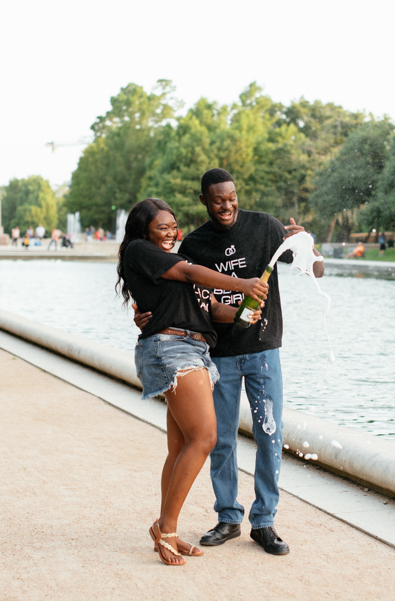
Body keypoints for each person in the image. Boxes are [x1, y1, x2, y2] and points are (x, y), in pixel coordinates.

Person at [135, 168, 324, 556]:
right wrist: (145, 315)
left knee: (269, 434)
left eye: (232, 197)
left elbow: (315, 271)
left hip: (263, 349)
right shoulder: (195, 244)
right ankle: (228, 516)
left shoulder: (266, 228)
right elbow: (178, 291)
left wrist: (309, 248)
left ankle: (265, 521)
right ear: (204, 200)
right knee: (218, 438)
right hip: (217, 354)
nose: (227, 205)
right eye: (218, 199)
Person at [118, 197, 268, 566]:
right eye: (162, 227)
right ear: (143, 231)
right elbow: (188, 274)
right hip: (172, 349)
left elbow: (210, 308)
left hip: (193, 349)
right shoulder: (141, 251)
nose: (170, 233)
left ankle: (164, 527)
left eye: (173, 227)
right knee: (205, 437)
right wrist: (243, 283)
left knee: (182, 444)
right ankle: (166, 531)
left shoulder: (169, 260)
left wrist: (243, 312)